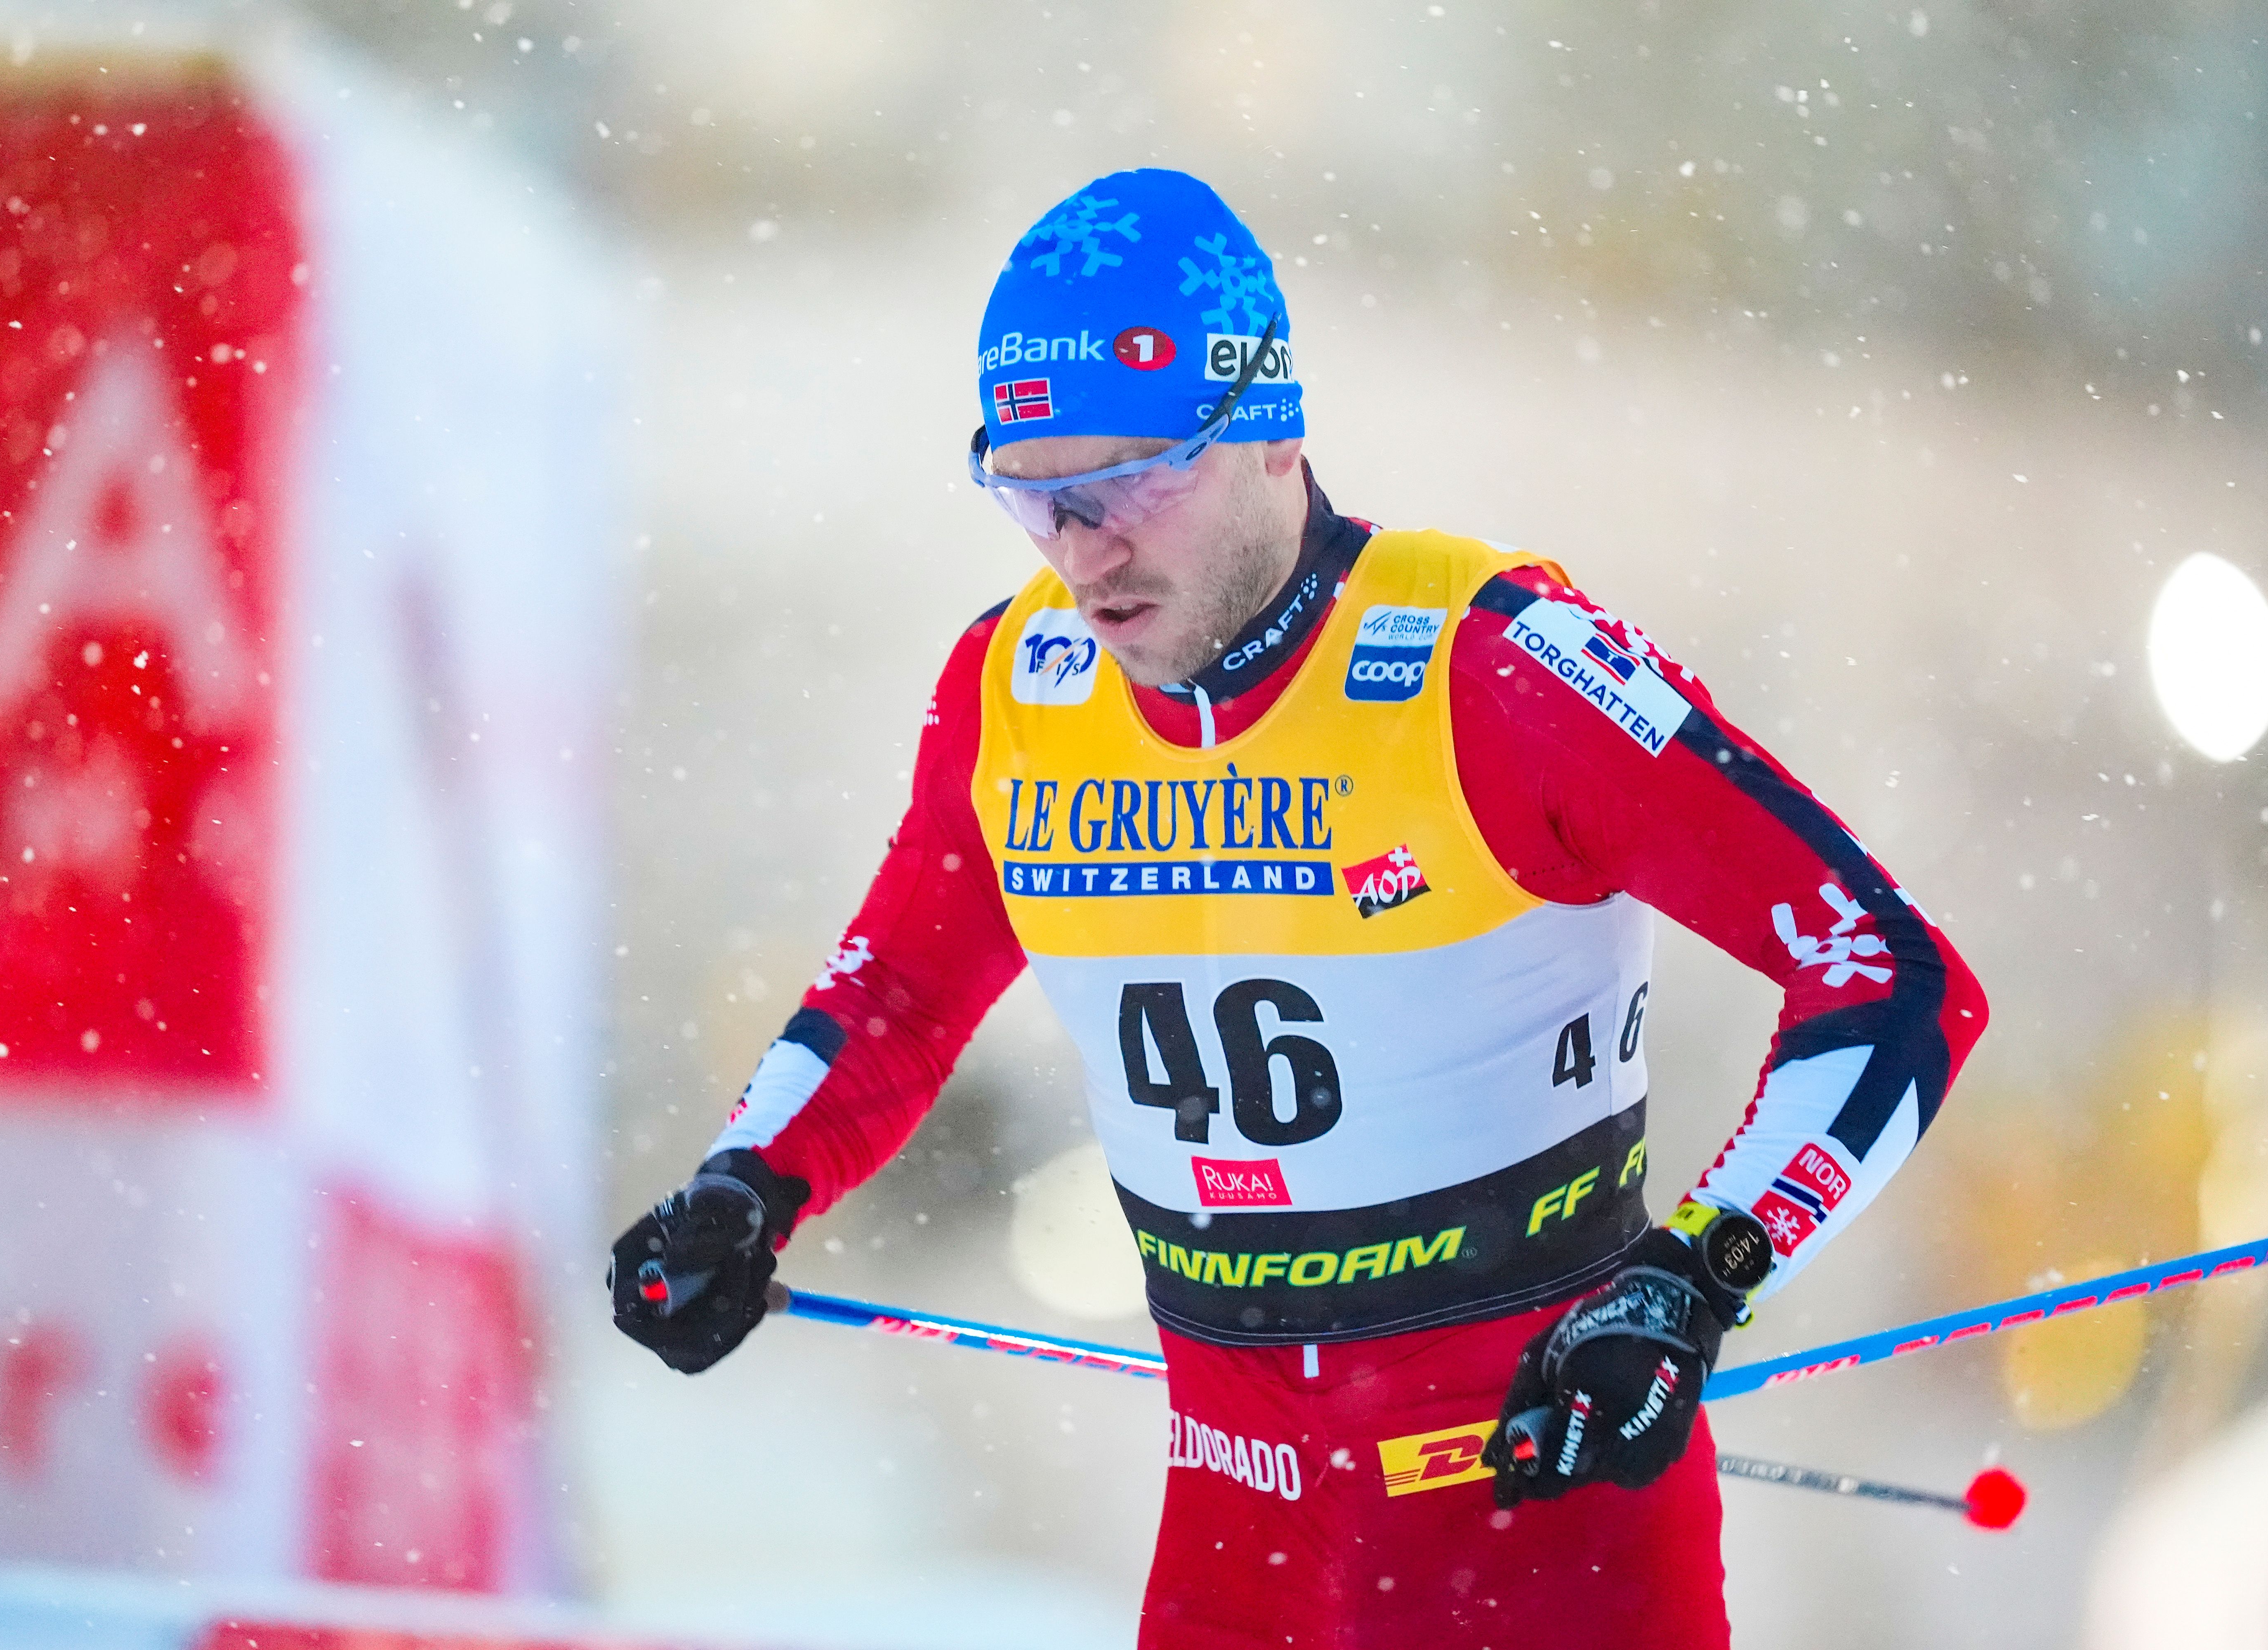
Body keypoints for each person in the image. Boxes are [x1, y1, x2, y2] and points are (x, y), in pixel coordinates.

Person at [609, 167, 1988, 1649]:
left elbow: (1893, 972)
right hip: (1238, 1548)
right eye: (1034, 495)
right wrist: (746, 1187)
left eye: (1131, 481)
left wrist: (1694, 1277)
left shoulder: (1493, 668)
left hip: (1541, 1535)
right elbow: (893, 996)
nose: (1082, 551)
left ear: (1270, 430)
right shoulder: (1019, 694)